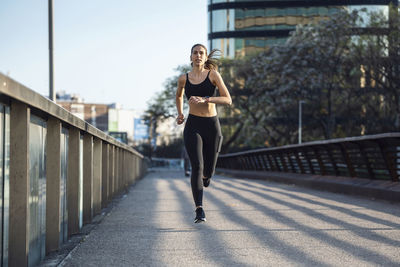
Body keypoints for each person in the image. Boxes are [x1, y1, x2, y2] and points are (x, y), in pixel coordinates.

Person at [176, 44, 232, 223]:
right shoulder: (184, 79)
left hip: (211, 125)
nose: (198, 56)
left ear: (206, 57)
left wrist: (206, 99)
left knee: (208, 169)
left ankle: (207, 177)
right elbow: (178, 96)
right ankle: (199, 209)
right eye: (195, 53)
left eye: (201, 53)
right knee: (197, 167)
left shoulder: (213, 75)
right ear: (190, 56)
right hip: (193, 125)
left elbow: (228, 99)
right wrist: (180, 113)